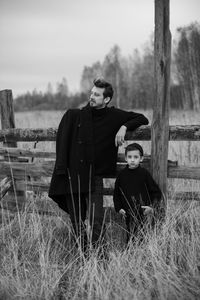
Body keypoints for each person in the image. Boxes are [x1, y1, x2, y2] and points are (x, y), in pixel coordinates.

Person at [48, 78, 149, 251]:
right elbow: (63, 143)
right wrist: (61, 169)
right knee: (77, 219)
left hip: (95, 175)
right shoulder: (75, 116)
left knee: (96, 219)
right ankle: (83, 254)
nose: (91, 96)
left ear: (107, 99)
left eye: (96, 94)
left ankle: (98, 254)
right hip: (75, 175)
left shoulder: (114, 116)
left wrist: (124, 126)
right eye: (92, 93)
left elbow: (142, 118)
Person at [113, 143, 162, 244]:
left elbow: (156, 192)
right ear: (126, 158)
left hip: (142, 213)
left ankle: (142, 254)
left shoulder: (144, 174)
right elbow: (116, 194)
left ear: (141, 158)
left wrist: (151, 207)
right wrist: (119, 208)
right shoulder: (122, 175)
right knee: (129, 237)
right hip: (127, 213)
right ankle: (131, 255)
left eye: (136, 157)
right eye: (129, 157)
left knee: (142, 237)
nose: (132, 160)